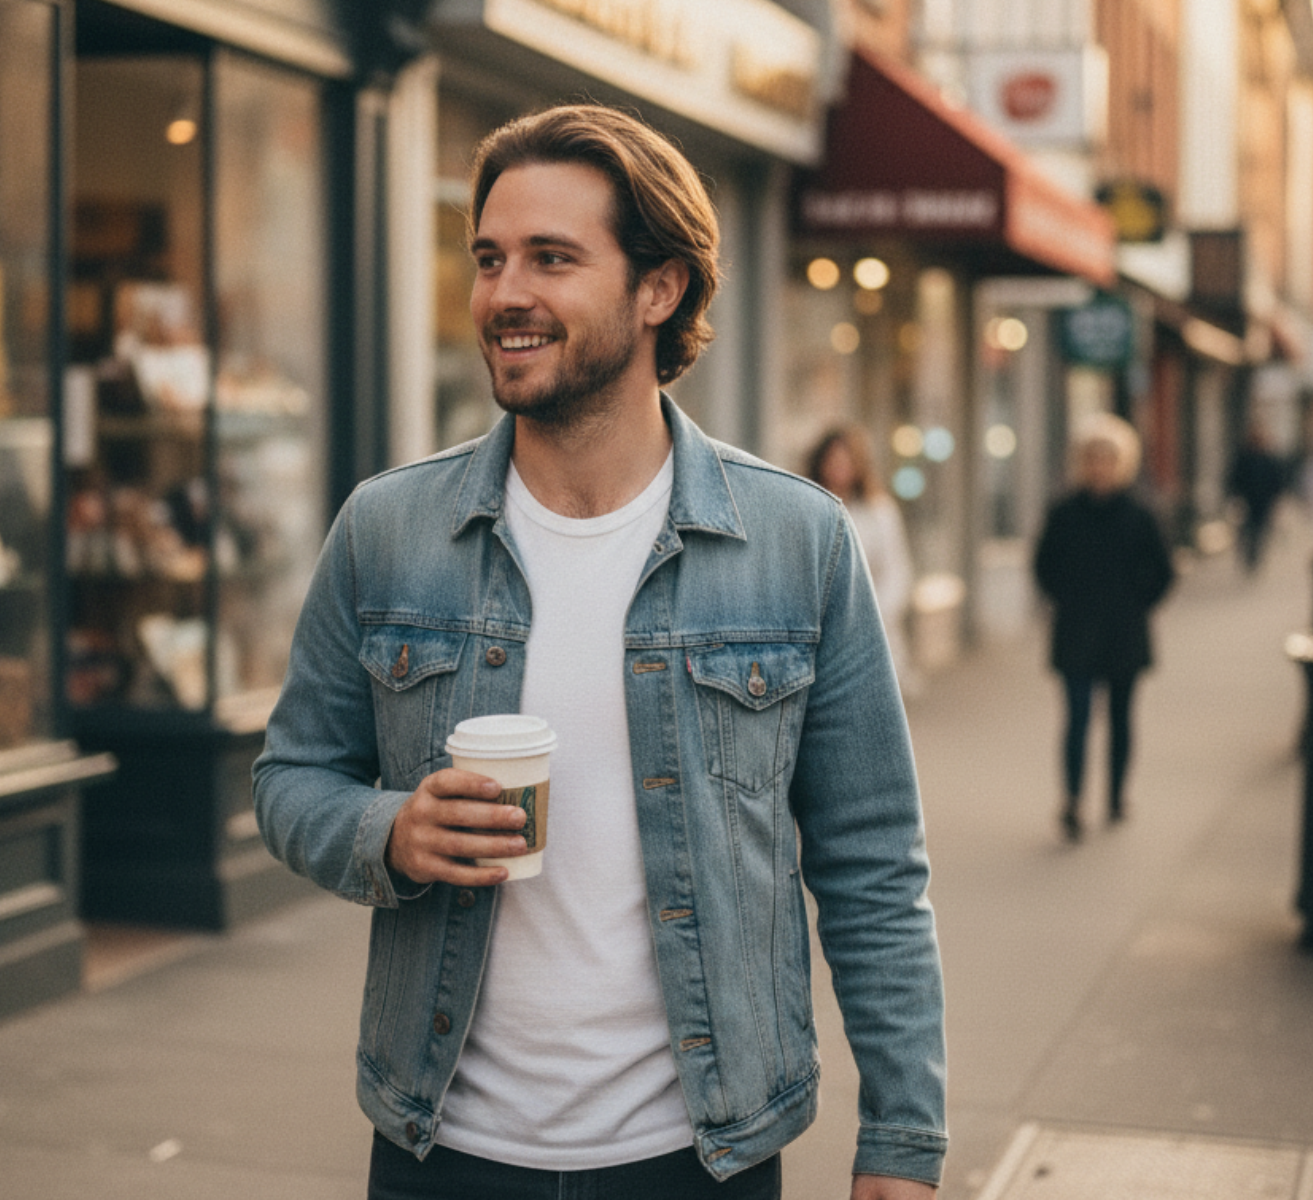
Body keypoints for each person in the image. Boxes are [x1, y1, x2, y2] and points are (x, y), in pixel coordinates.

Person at [254, 105, 946, 1200]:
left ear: (657, 288)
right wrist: (390, 830)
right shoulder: (387, 531)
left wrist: (902, 1143)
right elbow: (289, 779)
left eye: (551, 258)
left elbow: (872, 864)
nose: (503, 293)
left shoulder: (796, 542)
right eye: (489, 258)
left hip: (698, 1156)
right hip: (443, 1152)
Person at [1034, 413, 1174, 842]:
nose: (1099, 467)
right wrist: (1066, 600)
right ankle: (1073, 800)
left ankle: (1115, 795)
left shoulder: (1140, 514)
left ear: (1121, 463)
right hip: (1077, 632)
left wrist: (1137, 603)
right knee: (1076, 719)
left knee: (1120, 719)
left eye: (1108, 459)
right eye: (1092, 459)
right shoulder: (1063, 513)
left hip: (1123, 634)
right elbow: (1043, 566)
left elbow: (1164, 571)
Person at [807, 426, 917, 695]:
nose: (839, 468)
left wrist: (869, 617)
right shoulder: (805, 509)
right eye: (832, 462)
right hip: (816, 634)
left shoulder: (879, 511)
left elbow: (898, 572)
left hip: (871, 634)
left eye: (845, 462)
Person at [1226, 421, 1287, 573]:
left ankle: (1254, 556)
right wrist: (1236, 497)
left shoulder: (1269, 458)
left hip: (1264, 501)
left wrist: (1276, 500)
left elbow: (1277, 480)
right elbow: (1235, 478)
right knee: (1247, 530)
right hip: (1248, 500)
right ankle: (1248, 555)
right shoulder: (1244, 457)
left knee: (1260, 530)